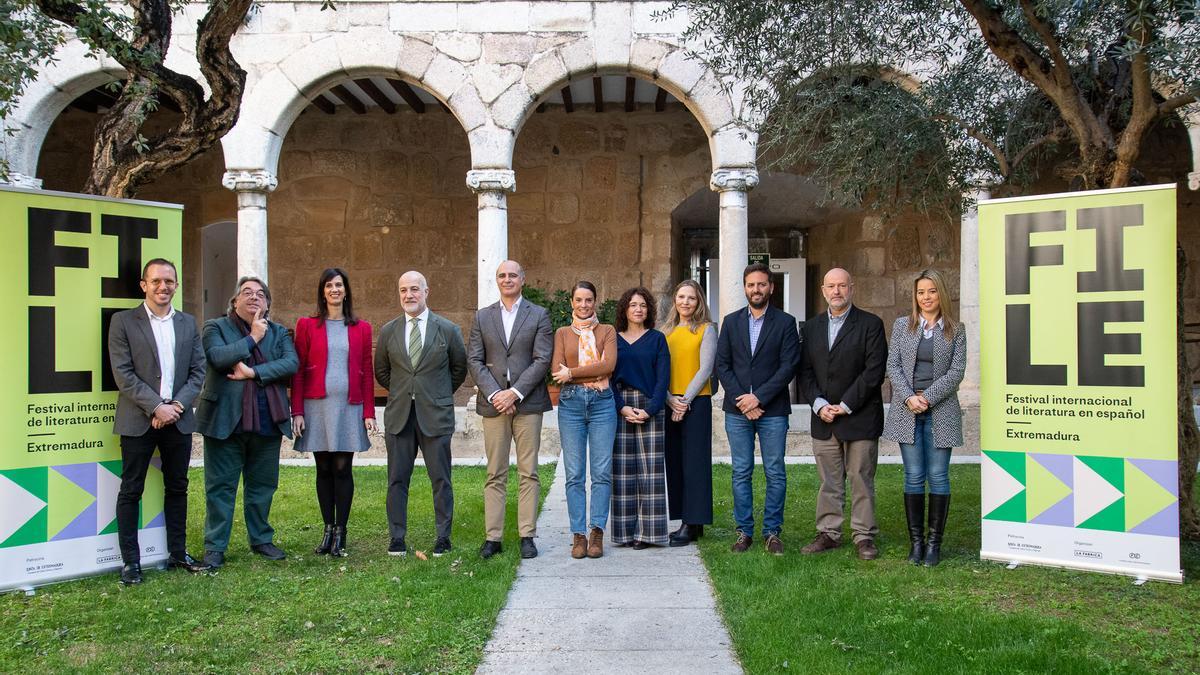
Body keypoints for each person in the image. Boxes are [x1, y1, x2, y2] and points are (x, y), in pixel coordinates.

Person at [107, 258, 209, 585]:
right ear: (144, 285)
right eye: (156, 281)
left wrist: (176, 406)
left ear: (176, 285)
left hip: (178, 420)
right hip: (139, 419)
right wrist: (156, 407)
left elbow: (198, 372)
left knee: (178, 487)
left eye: (169, 281)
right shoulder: (123, 322)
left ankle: (177, 553)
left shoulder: (188, 323)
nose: (163, 287)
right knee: (131, 490)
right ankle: (131, 563)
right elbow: (123, 374)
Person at [196, 276, 299, 569]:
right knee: (220, 488)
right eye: (247, 293)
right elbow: (218, 357)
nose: (254, 298)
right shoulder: (216, 327)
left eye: (260, 294)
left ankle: (261, 539)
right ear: (235, 301)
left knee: (263, 486)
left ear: (267, 303)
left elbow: (290, 364)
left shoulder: (279, 333)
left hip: (268, 420)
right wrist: (252, 337)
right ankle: (215, 546)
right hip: (225, 421)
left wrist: (253, 373)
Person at [374, 271, 467, 557]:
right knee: (396, 479)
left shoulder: (447, 329)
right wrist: (407, 390)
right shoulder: (389, 330)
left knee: (441, 479)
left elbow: (458, 369)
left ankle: (443, 536)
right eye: (403, 290)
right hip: (400, 415)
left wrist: (435, 392)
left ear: (426, 292)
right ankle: (397, 537)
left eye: (414, 289)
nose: (408, 295)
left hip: (435, 415)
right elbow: (382, 371)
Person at [798, 268, 887, 561]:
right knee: (829, 480)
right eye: (831, 286)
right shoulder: (810, 328)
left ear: (852, 288)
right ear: (823, 291)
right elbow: (805, 372)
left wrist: (846, 404)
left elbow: (874, 371)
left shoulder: (870, 325)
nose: (836, 291)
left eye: (842, 286)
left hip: (859, 416)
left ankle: (864, 536)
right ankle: (829, 533)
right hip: (823, 418)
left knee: (860, 478)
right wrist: (819, 404)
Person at [467, 260, 553, 560]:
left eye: (513, 275)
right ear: (497, 280)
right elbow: (475, 360)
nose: (507, 279)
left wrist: (514, 393)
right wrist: (495, 394)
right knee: (495, 472)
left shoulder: (539, 315)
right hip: (494, 406)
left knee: (528, 472)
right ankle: (493, 537)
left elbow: (542, 359)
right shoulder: (482, 317)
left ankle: (527, 535)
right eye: (502, 275)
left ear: (523, 279)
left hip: (527, 403)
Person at [715, 263, 800, 555]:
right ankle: (744, 532)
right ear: (745, 288)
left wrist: (759, 398)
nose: (756, 290)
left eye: (762, 284)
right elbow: (722, 365)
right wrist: (743, 399)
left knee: (775, 471)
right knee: (741, 471)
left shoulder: (786, 322)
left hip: (772, 410)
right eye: (751, 285)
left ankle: (772, 532)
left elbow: (788, 366)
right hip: (737, 410)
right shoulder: (731, 321)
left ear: (771, 287)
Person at [883, 269, 966, 567]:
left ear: (940, 294)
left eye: (931, 291)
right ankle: (916, 543)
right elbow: (893, 365)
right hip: (908, 409)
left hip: (941, 410)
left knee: (939, 476)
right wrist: (909, 397)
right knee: (914, 475)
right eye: (920, 292)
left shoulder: (956, 330)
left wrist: (928, 398)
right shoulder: (903, 325)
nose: (926, 297)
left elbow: (956, 373)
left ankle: (934, 544)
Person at [291, 268, 376, 558]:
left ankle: (342, 530)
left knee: (342, 468)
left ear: (346, 290)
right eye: (329, 285)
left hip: (348, 407)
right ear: (322, 291)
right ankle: (327, 528)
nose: (334, 289)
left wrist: (369, 412)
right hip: (316, 407)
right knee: (323, 468)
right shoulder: (307, 325)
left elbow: (367, 373)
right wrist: (297, 411)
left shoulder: (362, 328)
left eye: (339, 284)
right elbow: (299, 371)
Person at [551, 281, 617, 559]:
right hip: (571, 405)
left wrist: (573, 373)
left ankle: (597, 532)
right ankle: (578, 534)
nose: (584, 305)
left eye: (588, 300)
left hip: (603, 405)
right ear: (572, 303)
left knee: (601, 472)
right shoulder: (563, 333)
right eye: (578, 300)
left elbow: (609, 365)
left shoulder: (607, 331)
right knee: (575, 473)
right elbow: (556, 371)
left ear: (595, 302)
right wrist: (588, 375)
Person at [610, 287, 671, 549]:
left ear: (649, 310)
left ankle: (649, 534)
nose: (638, 309)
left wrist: (651, 409)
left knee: (651, 473)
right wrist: (621, 407)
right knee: (623, 473)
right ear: (625, 309)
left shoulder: (657, 339)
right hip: (621, 406)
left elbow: (663, 378)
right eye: (633, 305)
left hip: (651, 407)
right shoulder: (613, 339)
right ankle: (624, 533)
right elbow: (607, 378)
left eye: (643, 305)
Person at [662, 280, 716, 547]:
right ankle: (687, 518)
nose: (685, 302)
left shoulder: (706, 330)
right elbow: (659, 371)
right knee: (676, 463)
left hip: (696, 403)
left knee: (695, 464)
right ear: (675, 300)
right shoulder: (665, 332)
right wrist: (671, 400)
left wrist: (684, 401)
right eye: (681, 297)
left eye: (691, 298)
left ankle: (692, 523)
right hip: (670, 404)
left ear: (699, 302)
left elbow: (705, 369)